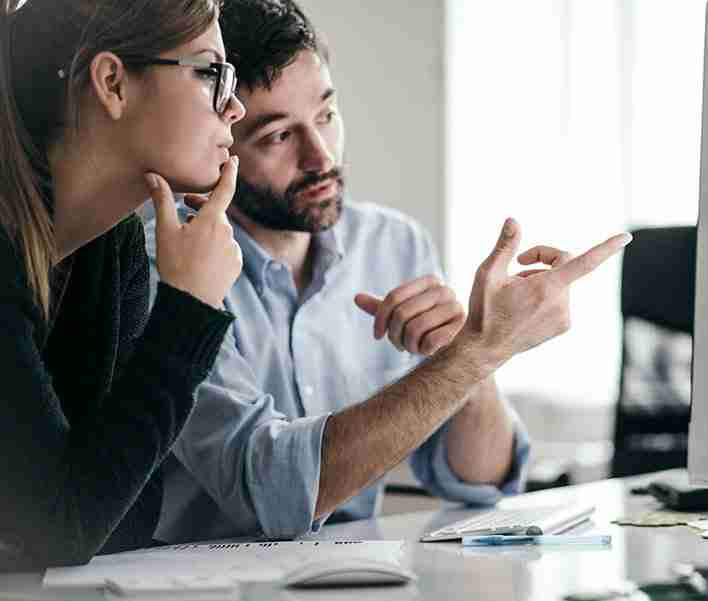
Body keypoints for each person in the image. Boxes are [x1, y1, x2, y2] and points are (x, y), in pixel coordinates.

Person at [147, 0, 632, 543]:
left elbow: (483, 482)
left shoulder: (391, 243)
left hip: (351, 573)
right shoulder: (166, 259)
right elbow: (269, 491)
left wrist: (471, 366)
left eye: (327, 116)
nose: (320, 157)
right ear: (220, 139)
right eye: (279, 136)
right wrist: (478, 351)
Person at [0, 0, 247, 569]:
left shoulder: (115, 251)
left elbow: (122, 518)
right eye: (212, 73)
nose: (235, 107)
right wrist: (189, 311)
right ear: (112, 82)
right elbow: (62, 526)